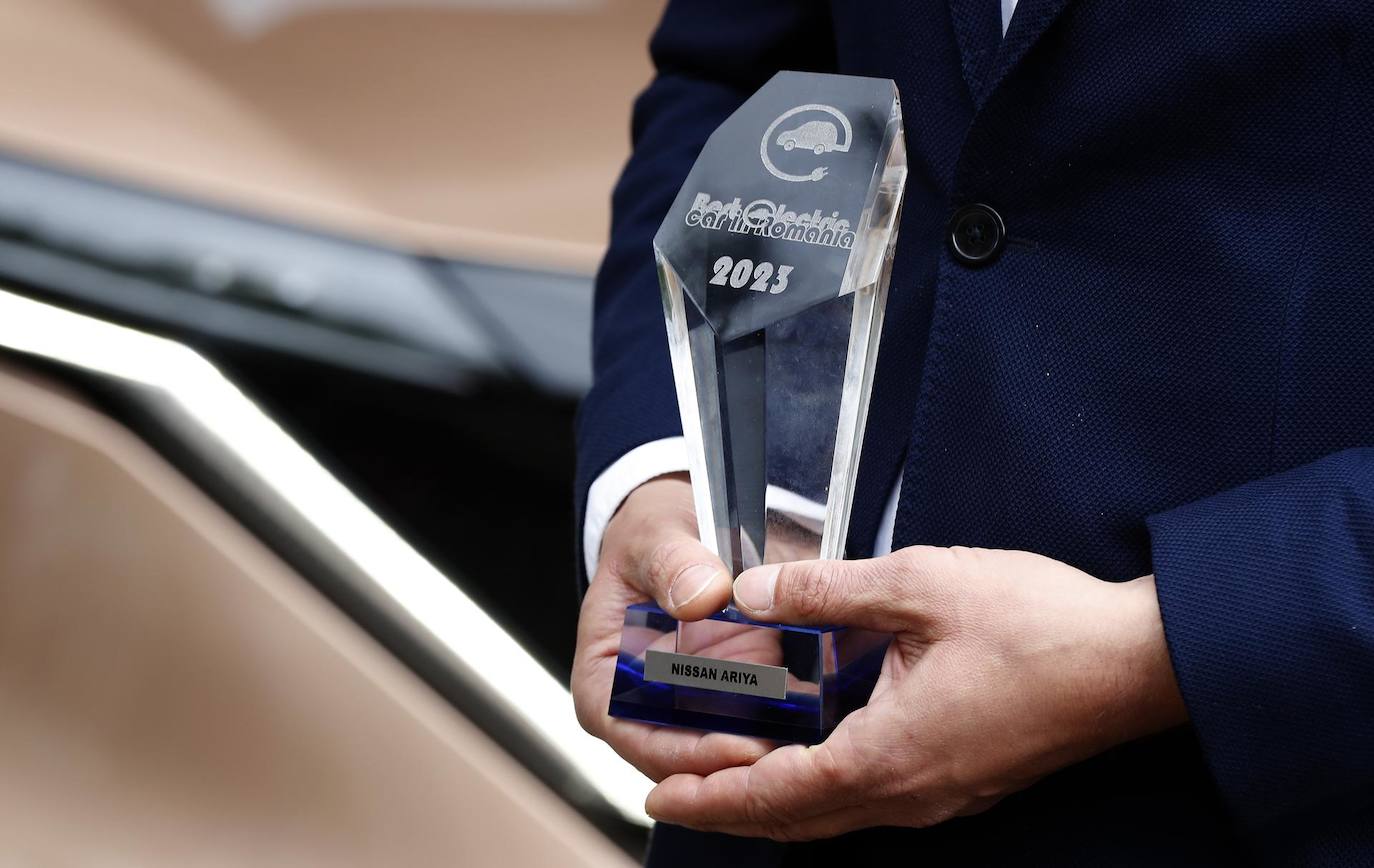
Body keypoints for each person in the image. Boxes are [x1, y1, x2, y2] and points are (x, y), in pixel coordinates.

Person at [572, 1, 1374, 865]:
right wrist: (665, 468)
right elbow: (743, 78)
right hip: (759, 746)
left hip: (1238, 799)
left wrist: (1160, 645)